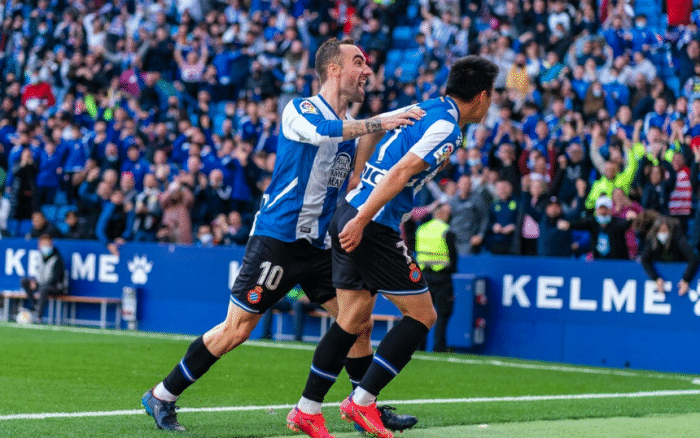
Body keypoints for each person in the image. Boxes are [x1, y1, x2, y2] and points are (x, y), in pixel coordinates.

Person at [141, 38, 423, 434]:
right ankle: (162, 395)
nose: (367, 71)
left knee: (357, 320)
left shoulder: (353, 129)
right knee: (237, 330)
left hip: (320, 246)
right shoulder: (300, 110)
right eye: (358, 62)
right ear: (334, 70)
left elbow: (360, 149)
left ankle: (364, 406)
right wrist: (380, 122)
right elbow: (324, 131)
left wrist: (401, 122)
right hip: (277, 239)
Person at [288, 56, 498, 438]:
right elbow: (400, 172)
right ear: (482, 96)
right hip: (372, 223)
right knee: (423, 315)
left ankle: (308, 409)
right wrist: (363, 218)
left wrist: (359, 178)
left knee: (353, 320)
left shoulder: (425, 107)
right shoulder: (448, 128)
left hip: (351, 209)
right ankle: (362, 402)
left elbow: (372, 128)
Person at [415, 203, 457, 352]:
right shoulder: (446, 231)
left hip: (423, 276)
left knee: (423, 314)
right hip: (442, 277)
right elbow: (453, 256)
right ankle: (439, 346)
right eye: (448, 213)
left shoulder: (421, 229)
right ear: (442, 214)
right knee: (443, 313)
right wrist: (451, 269)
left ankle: (419, 346)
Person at [641, 215, 700, 296]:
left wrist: (686, 280)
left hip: (679, 268)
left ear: (669, 230)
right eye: (659, 231)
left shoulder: (678, 237)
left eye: (664, 230)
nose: (662, 233)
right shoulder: (652, 239)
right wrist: (656, 278)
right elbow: (644, 259)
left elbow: (693, 258)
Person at [20, 234, 66, 323]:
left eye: (46, 244)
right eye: (43, 244)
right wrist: (35, 282)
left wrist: (40, 284)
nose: (44, 247)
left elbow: (56, 279)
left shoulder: (57, 258)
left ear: (51, 244)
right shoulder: (39, 257)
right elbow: (38, 273)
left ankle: (38, 316)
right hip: (42, 284)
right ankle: (35, 305)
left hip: (56, 286)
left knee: (43, 288)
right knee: (24, 281)